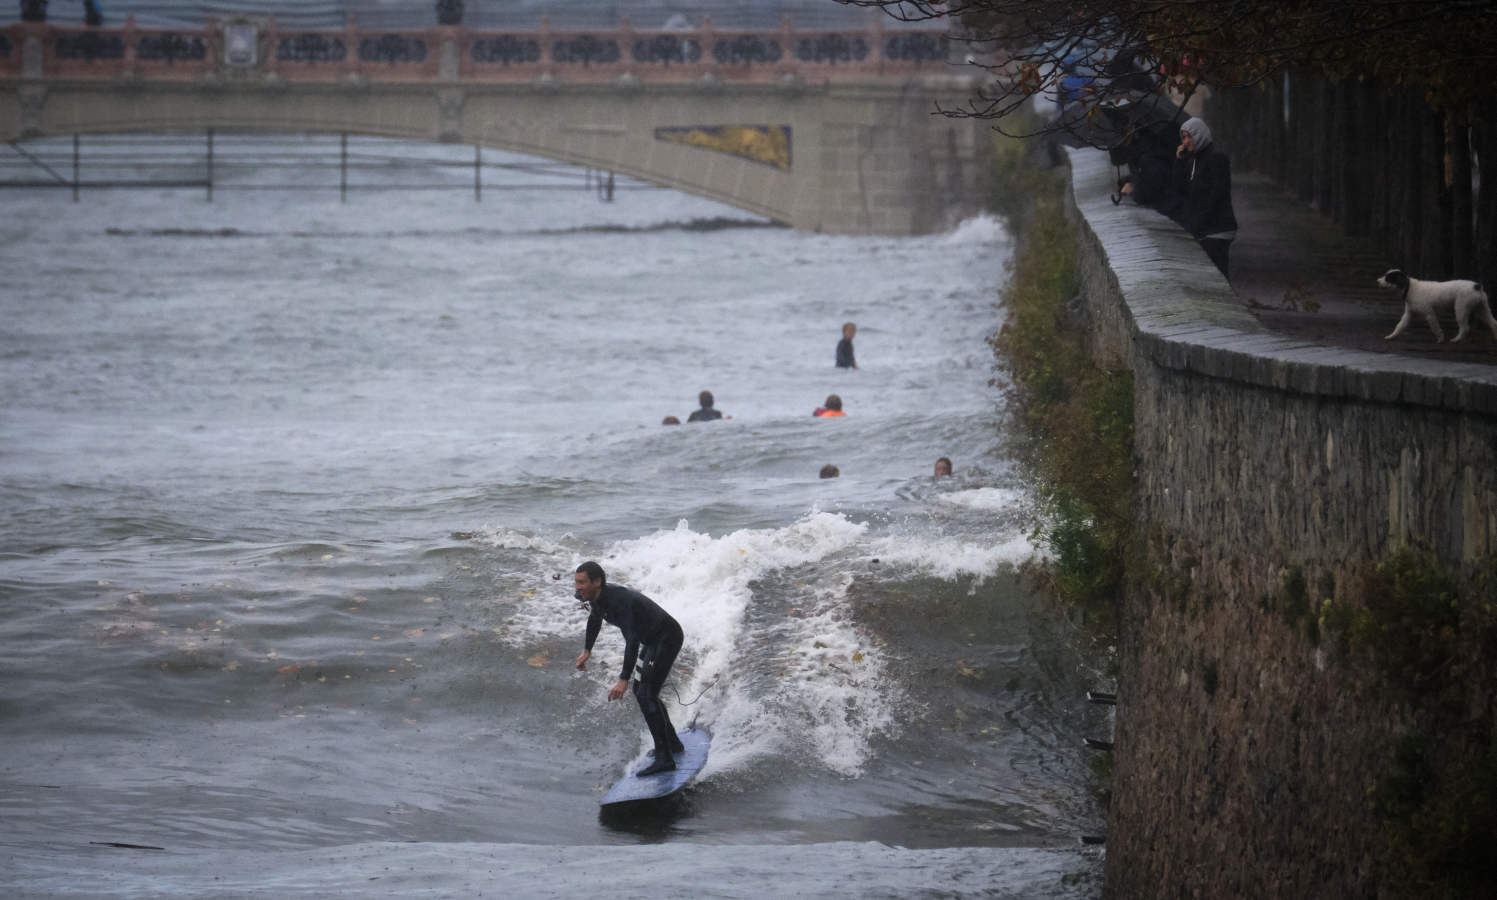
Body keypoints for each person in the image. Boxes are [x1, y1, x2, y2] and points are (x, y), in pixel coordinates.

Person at [572, 561, 685, 777]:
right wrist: (587, 650)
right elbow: (594, 619)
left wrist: (623, 679)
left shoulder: (618, 601)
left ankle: (665, 758)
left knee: (646, 694)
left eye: (582, 582)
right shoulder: (595, 596)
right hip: (652, 641)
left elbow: (632, 641)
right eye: (576, 582)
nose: (578, 587)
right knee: (643, 692)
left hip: (667, 638)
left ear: (597, 582)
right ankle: (673, 744)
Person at [1171, 117, 1237, 278]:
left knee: (1216, 275)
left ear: (1199, 134)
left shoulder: (1216, 158)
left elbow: (1217, 195)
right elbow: (1180, 189)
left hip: (1217, 228)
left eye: (1189, 136)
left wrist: (1197, 224)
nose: (1186, 141)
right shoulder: (1193, 160)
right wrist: (1179, 162)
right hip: (1205, 228)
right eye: (1183, 137)